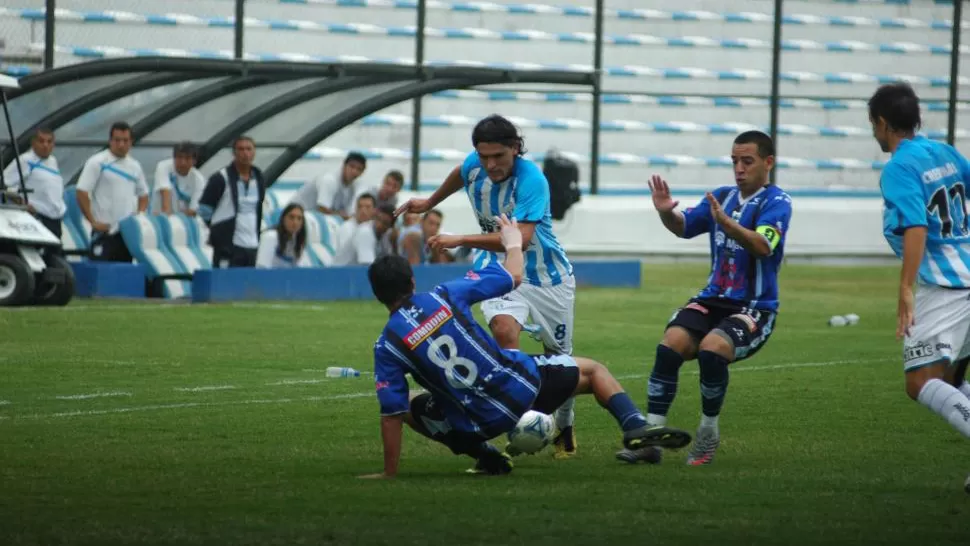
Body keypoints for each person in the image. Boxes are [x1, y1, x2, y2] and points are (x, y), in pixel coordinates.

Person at [361, 215, 691, 478]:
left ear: (377, 295)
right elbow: (514, 276)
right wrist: (513, 243)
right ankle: (634, 424)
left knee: (406, 402)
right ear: (413, 281)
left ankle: (486, 454)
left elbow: (391, 414)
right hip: (522, 389)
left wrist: (389, 473)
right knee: (593, 370)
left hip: (476, 425)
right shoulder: (444, 295)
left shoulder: (387, 345)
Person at [394, 115, 580, 458]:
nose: (491, 165)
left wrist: (461, 238)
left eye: (499, 157)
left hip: (548, 277)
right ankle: (514, 415)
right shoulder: (474, 164)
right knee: (503, 329)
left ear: (515, 148)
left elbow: (520, 240)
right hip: (499, 268)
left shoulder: (533, 180)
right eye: (484, 157)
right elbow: (460, 173)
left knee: (561, 360)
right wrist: (430, 202)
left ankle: (564, 426)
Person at [617, 131, 793, 467]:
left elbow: (763, 245)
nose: (739, 169)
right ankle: (650, 439)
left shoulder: (777, 202)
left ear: (768, 163)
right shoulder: (723, 196)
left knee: (713, 349)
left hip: (754, 306)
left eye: (747, 161)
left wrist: (726, 224)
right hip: (713, 299)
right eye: (734, 161)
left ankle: (707, 433)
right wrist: (665, 212)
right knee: (670, 345)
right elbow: (682, 227)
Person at [869, 82, 970, 494]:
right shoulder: (943, 151)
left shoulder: (898, 167)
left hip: (946, 288)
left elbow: (916, 226)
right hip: (967, 276)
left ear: (881, 123)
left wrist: (905, 290)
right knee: (950, 377)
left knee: (921, 383)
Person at [76, 121, 149, 262]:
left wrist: (139, 218)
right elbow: (81, 192)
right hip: (104, 232)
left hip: (126, 235)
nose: (121, 144)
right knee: (101, 275)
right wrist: (93, 221)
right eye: (117, 140)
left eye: (125, 141)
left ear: (131, 142)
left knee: (124, 274)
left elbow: (144, 195)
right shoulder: (97, 162)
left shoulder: (135, 166)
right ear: (110, 141)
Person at [198, 136, 266, 268]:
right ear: (234, 153)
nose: (245, 153)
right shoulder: (220, 178)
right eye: (241, 149)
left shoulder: (258, 178)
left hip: (252, 245)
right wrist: (219, 233)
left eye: (249, 149)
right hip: (228, 247)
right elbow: (205, 211)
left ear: (254, 152)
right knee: (225, 286)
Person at [2, 127, 65, 240]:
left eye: (49, 141)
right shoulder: (25, 160)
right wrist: (20, 201)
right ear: (33, 143)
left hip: (54, 219)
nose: (45, 145)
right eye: (41, 141)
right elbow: (3, 184)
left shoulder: (53, 161)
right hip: (36, 218)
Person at [290, 151, 366, 220]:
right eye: (352, 166)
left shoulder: (353, 187)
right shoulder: (329, 180)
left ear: (362, 172)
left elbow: (347, 213)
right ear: (344, 166)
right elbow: (323, 210)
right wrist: (345, 217)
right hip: (294, 216)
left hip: (311, 219)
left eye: (359, 169)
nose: (354, 171)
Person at [152, 142, 205, 216]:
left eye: (187, 158)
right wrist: (168, 217)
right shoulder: (163, 166)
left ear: (194, 161)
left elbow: (193, 209)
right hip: (160, 218)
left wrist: (178, 220)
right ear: (174, 158)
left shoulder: (199, 180)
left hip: (182, 221)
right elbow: (165, 193)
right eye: (179, 157)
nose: (183, 162)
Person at [255, 203, 311, 268]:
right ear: (283, 219)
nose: (295, 222)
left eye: (299, 218)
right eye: (291, 217)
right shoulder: (270, 237)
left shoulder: (298, 240)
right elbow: (262, 267)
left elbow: (304, 268)